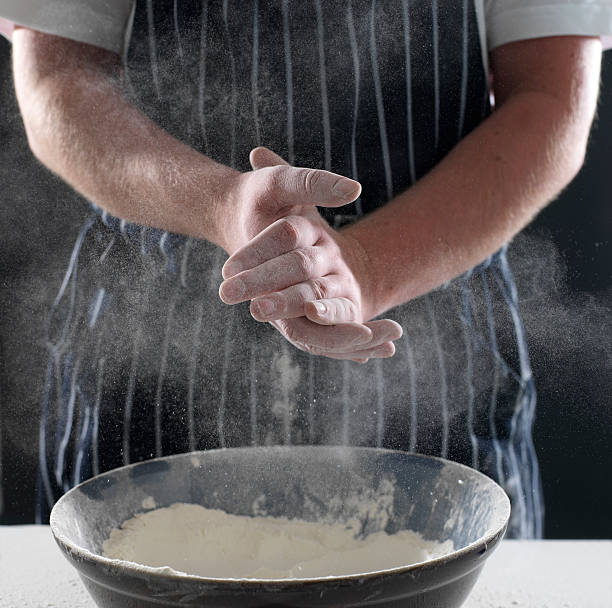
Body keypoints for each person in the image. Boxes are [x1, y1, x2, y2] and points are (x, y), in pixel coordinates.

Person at [1, 0, 610, 537]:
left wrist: (368, 266)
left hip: (433, 361)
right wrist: (221, 203)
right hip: (148, 360)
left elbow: (549, 98)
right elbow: (61, 79)